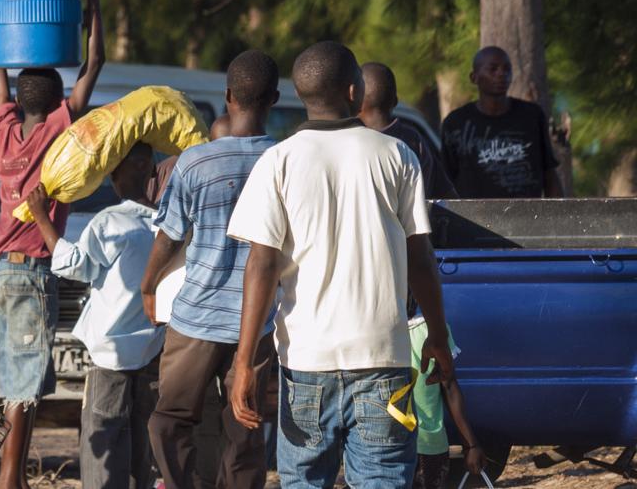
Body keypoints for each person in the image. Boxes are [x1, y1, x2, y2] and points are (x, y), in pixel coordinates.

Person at [227, 41, 455, 489]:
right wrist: (438, 337)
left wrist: (243, 363)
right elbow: (421, 262)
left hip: (305, 364)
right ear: (354, 92)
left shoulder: (279, 161)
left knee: (305, 481)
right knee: (384, 480)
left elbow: (261, 266)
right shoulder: (396, 155)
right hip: (382, 362)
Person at [0, 0, 105, 488]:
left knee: (16, 379)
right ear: (60, 102)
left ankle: (17, 477)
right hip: (32, 272)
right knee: (26, 385)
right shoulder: (62, 131)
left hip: (0, 274)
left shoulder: (3, 131)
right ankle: (12, 480)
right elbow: (94, 61)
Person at [140, 50, 280, 489]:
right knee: (246, 429)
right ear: (274, 98)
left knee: (169, 420)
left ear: (227, 96)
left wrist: (148, 286)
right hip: (259, 323)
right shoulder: (282, 160)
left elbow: (169, 237)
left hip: (196, 315)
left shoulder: (195, 162)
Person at [25, 142, 162, 489]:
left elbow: (75, 265)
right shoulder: (167, 224)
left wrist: (42, 216)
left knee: (104, 442)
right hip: (154, 352)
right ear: (151, 171)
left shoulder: (110, 222)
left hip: (110, 356)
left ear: (114, 174)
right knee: (139, 445)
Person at [440, 46, 563, 198]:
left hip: (527, 217)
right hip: (474, 219)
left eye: (507, 69)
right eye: (493, 69)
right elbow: (445, 182)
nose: (501, 74)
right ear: (474, 77)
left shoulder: (532, 116)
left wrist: (560, 217)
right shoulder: (456, 123)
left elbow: (549, 174)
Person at [407, 300, 484, 489]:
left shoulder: (432, 331)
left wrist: (471, 445)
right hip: (422, 446)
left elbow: (449, 385)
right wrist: (471, 445)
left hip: (420, 447)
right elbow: (449, 387)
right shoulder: (432, 330)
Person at [359, 62, 457, 199]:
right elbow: (447, 195)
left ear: (355, 100)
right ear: (395, 101)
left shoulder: (348, 142)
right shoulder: (414, 140)